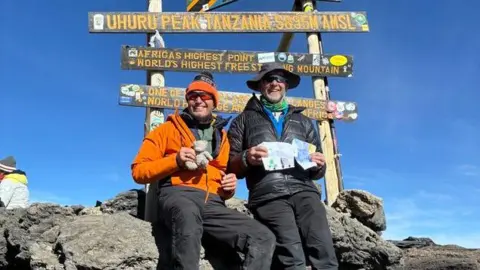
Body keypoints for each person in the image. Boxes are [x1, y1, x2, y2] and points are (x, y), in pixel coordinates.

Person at [131, 72, 275, 269]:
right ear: (187, 100)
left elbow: (220, 176)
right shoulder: (166, 130)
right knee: (188, 219)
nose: (198, 100)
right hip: (178, 195)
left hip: (214, 204)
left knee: (263, 237)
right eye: (193, 96)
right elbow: (139, 171)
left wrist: (229, 188)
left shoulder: (222, 136)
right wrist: (175, 160)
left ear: (213, 101)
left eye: (205, 96)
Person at [227, 63, 339, 270]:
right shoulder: (242, 121)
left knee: (324, 250)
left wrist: (318, 164)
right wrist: (246, 157)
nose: (275, 84)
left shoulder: (304, 121)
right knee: (290, 254)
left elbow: (317, 171)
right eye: (269, 79)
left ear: (286, 85)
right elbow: (230, 166)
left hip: (305, 191)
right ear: (260, 85)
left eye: (280, 79)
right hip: (267, 194)